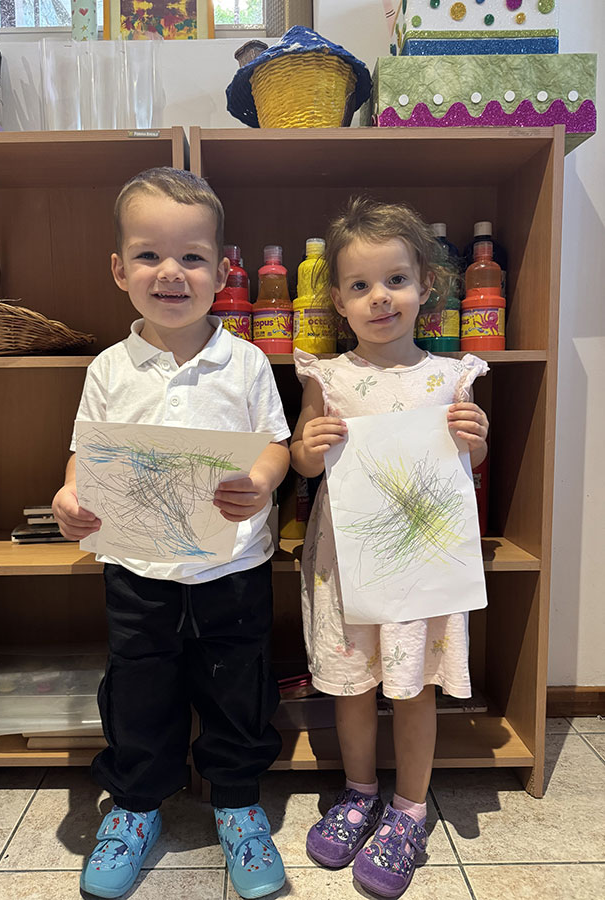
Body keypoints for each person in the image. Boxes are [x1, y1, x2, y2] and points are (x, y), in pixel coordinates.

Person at [52, 167, 290, 900]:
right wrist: (68, 496)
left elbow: (275, 445)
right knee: (137, 693)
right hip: (137, 571)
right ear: (118, 269)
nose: (171, 272)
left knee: (238, 691)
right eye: (149, 255)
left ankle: (236, 804)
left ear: (222, 270)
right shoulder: (109, 368)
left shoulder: (246, 362)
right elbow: (84, 455)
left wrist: (263, 480)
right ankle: (134, 805)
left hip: (233, 570)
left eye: (192, 257)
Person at [290, 198, 489, 899]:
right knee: (352, 685)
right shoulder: (326, 377)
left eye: (395, 280)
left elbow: (470, 461)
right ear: (338, 301)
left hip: (421, 569)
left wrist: (474, 438)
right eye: (359, 285)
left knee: (413, 687)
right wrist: (308, 446)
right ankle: (358, 792)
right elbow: (303, 462)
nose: (379, 297)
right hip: (346, 568)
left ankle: (408, 810)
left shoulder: (451, 377)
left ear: (426, 286)